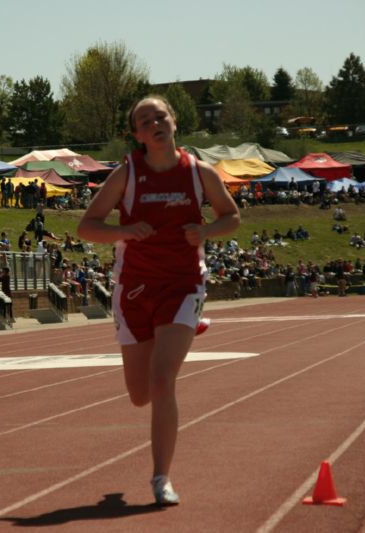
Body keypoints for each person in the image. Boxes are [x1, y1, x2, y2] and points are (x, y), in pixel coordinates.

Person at [76, 95, 240, 506]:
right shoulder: (126, 175)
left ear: (174, 122)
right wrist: (124, 233)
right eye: (145, 120)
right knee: (139, 394)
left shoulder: (199, 174)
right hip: (133, 289)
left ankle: (160, 478)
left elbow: (231, 216)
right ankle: (179, 331)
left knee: (162, 379)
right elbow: (86, 227)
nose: (154, 123)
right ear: (137, 135)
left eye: (160, 116)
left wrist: (204, 233)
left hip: (183, 284)